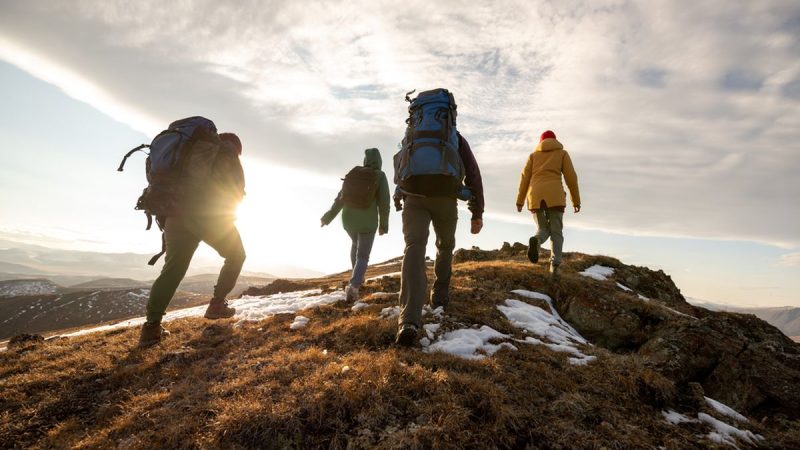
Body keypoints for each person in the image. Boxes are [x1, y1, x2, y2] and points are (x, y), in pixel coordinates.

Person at [138, 132, 246, 347]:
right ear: (236, 147)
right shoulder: (226, 153)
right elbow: (235, 190)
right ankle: (216, 305)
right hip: (209, 216)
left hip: (174, 216)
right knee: (236, 255)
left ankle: (151, 327)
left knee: (173, 270)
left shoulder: (184, 153)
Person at [394, 132, 485, 346]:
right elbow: (473, 174)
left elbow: (399, 167)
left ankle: (408, 321)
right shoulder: (454, 137)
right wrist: (477, 212)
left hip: (413, 198)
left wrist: (400, 195)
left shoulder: (412, 135)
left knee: (414, 247)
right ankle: (440, 297)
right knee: (445, 245)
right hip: (445, 198)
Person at [321, 148, 390, 302]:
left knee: (355, 244)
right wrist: (384, 224)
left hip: (348, 220)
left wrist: (328, 217)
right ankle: (354, 286)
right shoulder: (379, 175)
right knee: (363, 255)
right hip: (368, 222)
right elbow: (384, 202)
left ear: (365, 160)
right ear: (379, 161)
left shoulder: (354, 174)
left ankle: (356, 276)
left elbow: (340, 199)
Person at [515, 130, 580, 278]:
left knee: (542, 228)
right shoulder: (562, 154)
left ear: (540, 142)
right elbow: (571, 178)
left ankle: (536, 241)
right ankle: (555, 266)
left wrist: (520, 201)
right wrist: (576, 200)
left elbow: (524, 179)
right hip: (555, 196)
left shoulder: (533, 156)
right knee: (556, 231)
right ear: (555, 140)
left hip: (535, 196)